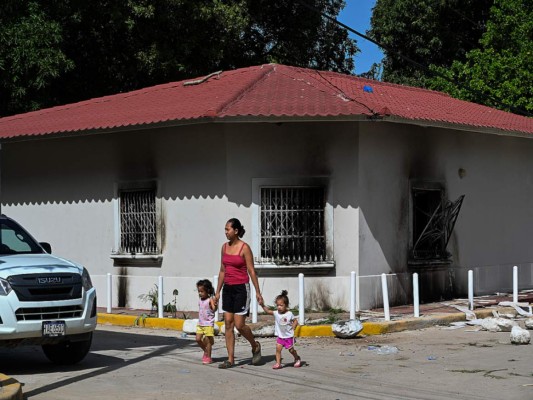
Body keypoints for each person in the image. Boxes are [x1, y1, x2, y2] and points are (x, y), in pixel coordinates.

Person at [214, 218, 264, 369]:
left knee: (239, 325)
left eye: (228, 229)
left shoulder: (244, 248)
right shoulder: (224, 248)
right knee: (228, 323)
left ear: (236, 231)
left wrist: (258, 292)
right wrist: (217, 292)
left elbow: (251, 271)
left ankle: (255, 346)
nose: (225, 232)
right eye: (225, 229)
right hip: (228, 289)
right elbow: (222, 271)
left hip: (241, 288)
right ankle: (230, 359)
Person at [259, 290, 302, 369]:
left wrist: (294, 325)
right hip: (281, 336)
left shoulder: (289, 314)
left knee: (291, 350)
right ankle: (278, 363)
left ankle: (297, 358)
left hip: (288, 336)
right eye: (277, 305)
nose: (279, 307)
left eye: (281, 305)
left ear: (286, 305)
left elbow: (295, 320)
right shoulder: (276, 313)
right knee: (278, 349)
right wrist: (262, 305)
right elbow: (268, 311)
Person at [196, 279, 216, 364]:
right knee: (198, 339)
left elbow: (214, 309)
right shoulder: (200, 300)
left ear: (207, 291)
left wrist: (214, 305)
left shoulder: (210, 300)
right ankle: (206, 351)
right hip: (200, 323)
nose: (200, 293)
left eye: (201, 291)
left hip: (208, 324)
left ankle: (208, 357)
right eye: (199, 291)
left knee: (207, 342)